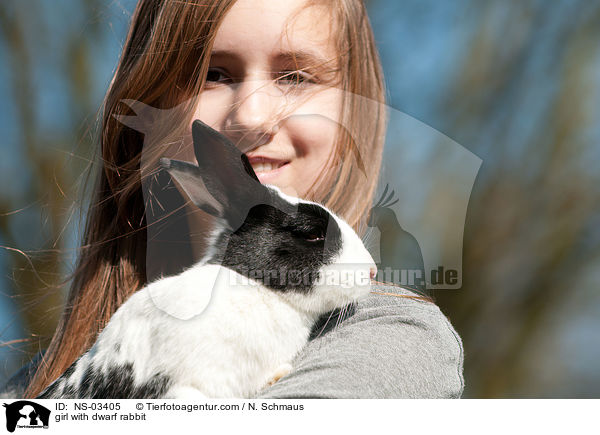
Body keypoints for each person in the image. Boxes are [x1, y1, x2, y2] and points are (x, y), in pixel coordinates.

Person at [1, 0, 464, 399]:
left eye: (296, 76)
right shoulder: (28, 392)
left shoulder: (386, 340)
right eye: (213, 74)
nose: (252, 115)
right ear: (143, 116)